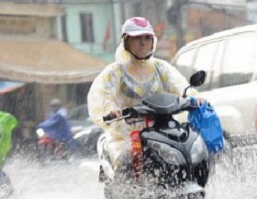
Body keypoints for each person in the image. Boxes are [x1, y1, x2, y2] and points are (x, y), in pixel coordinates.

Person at [87, 16, 203, 175]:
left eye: (147, 38)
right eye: (137, 38)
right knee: (125, 160)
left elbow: (178, 85)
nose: (143, 43)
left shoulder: (160, 67)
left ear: (152, 42)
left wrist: (192, 96)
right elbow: (107, 96)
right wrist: (112, 109)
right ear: (126, 42)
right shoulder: (116, 71)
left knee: (191, 147)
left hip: (162, 127)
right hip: (127, 132)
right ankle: (129, 196)